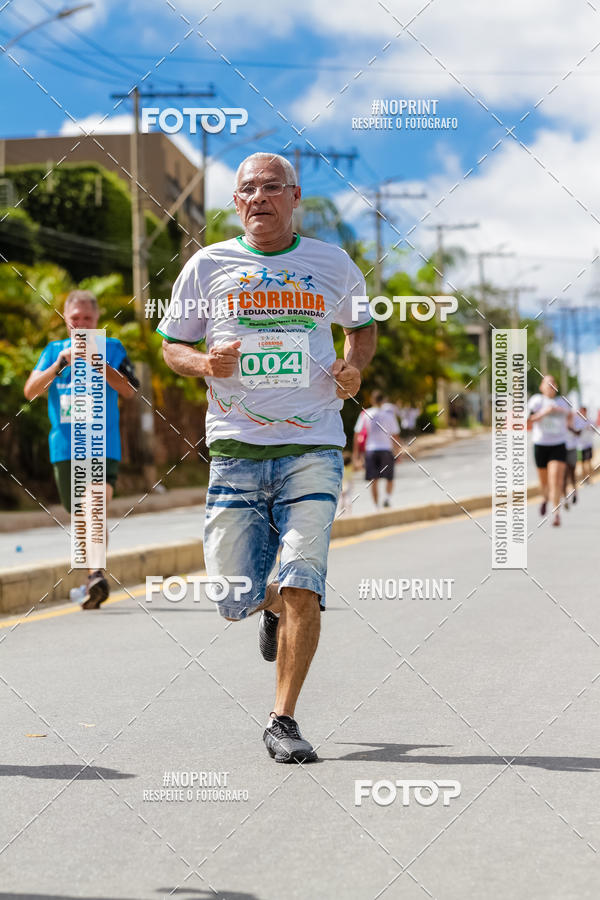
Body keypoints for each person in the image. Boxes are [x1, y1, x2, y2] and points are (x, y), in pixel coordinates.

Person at [157, 152, 376, 763]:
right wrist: (204, 363)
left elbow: (361, 325)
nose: (259, 197)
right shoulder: (208, 265)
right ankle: (268, 608)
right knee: (235, 596)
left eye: (271, 187)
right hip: (235, 446)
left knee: (304, 579)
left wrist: (353, 365)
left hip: (314, 443)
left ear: (294, 194)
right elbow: (174, 345)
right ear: (237, 202)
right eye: (247, 188)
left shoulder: (331, 264)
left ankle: (283, 719)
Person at [24, 290, 138, 607]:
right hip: (65, 448)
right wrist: (61, 364)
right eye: (76, 318)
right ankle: (92, 580)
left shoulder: (112, 348)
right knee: (80, 517)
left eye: (87, 318)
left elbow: (130, 390)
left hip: (103, 445)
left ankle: (96, 572)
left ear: (97, 319)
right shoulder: (53, 351)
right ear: (66, 319)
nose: (81, 324)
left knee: (94, 503)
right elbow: (31, 391)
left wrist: (98, 363)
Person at [527, 375, 573, 527]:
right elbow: (528, 419)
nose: (550, 385)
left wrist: (561, 415)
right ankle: (545, 498)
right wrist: (543, 413)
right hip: (541, 445)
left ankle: (556, 513)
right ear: (542, 387)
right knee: (544, 481)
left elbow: (570, 416)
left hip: (558, 444)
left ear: (557, 387)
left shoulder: (563, 402)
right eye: (547, 383)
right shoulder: (536, 400)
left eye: (553, 383)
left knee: (556, 479)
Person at [352, 390, 401, 508]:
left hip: (371, 450)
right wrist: (398, 451)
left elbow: (358, 435)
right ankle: (387, 498)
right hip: (386, 449)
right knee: (390, 477)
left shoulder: (365, 414)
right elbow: (395, 435)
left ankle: (376, 506)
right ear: (383, 400)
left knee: (374, 480)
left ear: (372, 400)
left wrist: (356, 454)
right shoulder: (389, 415)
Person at [577, 405, 594, 483]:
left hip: (588, 444)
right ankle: (585, 478)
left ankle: (589, 477)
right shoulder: (577, 421)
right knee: (582, 463)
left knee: (589, 461)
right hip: (580, 446)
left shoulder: (589, 421)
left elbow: (593, 430)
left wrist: (589, 428)